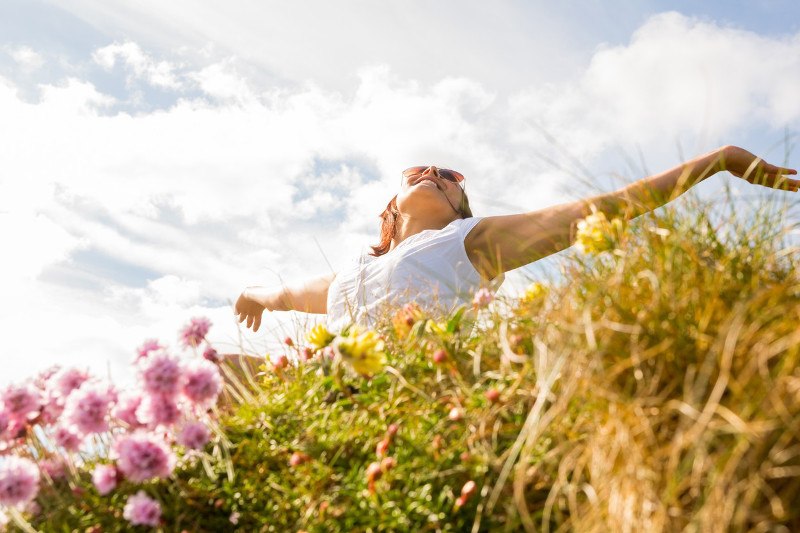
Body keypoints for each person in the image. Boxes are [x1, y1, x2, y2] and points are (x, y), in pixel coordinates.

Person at [235, 146, 798, 334]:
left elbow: (603, 209)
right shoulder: (352, 271)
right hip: (336, 409)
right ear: (390, 209)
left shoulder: (469, 239)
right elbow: (284, 295)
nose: (437, 175)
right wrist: (254, 294)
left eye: (452, 179)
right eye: (422, 173)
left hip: (417, 404)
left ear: (462, 207)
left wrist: (716, 161)